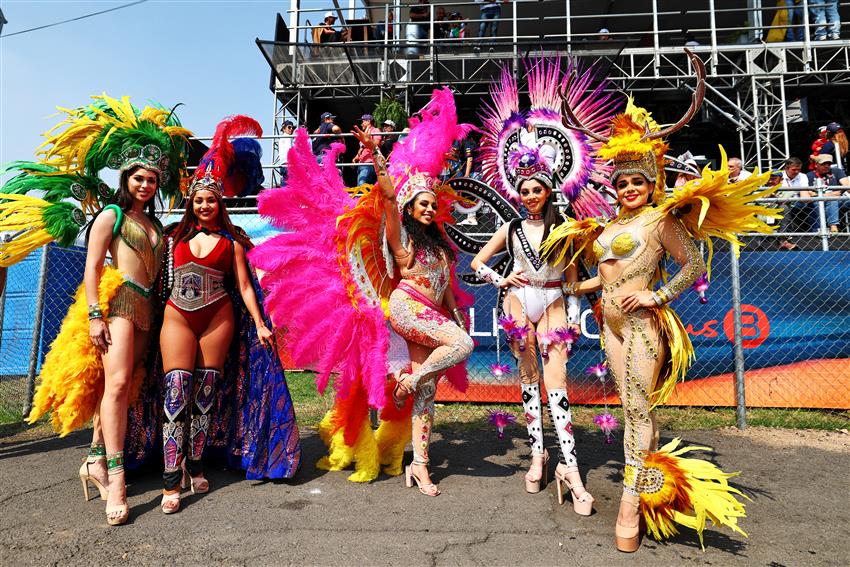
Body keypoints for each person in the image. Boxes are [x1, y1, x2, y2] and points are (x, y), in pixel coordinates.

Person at [550, 51, 773, 551]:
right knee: (635, 407)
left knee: (635, 406)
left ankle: (631, 498)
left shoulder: (660, 222)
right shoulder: (607, 227)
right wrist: (564, 289)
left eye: (637, 181)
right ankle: (647, 485)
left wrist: (657, 294)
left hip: (643, 325)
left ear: (652, 184)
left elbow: (693, 264)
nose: (629, 188)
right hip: (607, 322)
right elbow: (601, 277)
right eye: (622, 181)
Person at [250, 88, 473, 486]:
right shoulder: (402, 239)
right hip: (406, 311)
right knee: (458, 348)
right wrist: (377, 155)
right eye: (418, 203)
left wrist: (454, 312)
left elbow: (447, 289)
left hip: (430, 314)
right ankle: (402, 388)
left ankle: (418, 463)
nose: (425, 207)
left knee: (425, 394)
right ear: (408, 209)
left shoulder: (439, 243)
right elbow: (388, 196)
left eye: (429, 203)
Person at [18, 95, 192, 526]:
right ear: (126, 178)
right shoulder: (111, 214)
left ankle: (95, 458)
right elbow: (93, 266)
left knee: (127, 386)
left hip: (147, 309)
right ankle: (115, 479)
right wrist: (95, 314)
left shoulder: (153, 224)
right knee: (114, 385)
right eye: (139, 178)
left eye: (152, 180)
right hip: (117, 302)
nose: (146, 185)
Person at [158, 116, 299, 514]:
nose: (204, 205)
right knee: (176, 393)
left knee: (204, 397)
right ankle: (171, 480)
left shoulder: (232, 242)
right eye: (199, 200)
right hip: (177, 317)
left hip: (218, 319)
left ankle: (197, 463)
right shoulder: (173, 238)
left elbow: (244, 287)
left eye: (211, 200)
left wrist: (258, 322)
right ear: (192, 202)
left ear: (220, 204)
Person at [470, 144, 594, 514]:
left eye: (536, 190)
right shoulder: (511, 228)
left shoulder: (565, 229)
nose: (530, 197)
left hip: (554, 299)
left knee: (556, 382)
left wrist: (573, 317)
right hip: (518, 302)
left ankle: (570, 467)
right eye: (524, 191)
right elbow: (478, 262)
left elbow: (571, 280)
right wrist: (501, 278)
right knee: (528, 378)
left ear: (548, 190)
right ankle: (537, 455)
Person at [807, 154, 850, 233]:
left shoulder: (837, 171)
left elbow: (847, 185)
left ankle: (832, 227)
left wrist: (840, 191)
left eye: (829, 164)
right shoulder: (809, 175)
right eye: (823, 164)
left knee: (838, 200)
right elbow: (811, 194)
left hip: (838, 201)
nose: (827, 166)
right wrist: (830, 195)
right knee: (828, 201)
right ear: (816, 165)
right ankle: (829, 227)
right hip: (818, 201)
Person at [777, 157, 811, 249]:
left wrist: (811, 197)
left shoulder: (802, 176)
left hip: (797, 202)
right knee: (785, 207)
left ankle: (818, 232)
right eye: (794, 169)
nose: (796, 172)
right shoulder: (778, 176)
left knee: (815, 203)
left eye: (799, 169)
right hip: (779, 202)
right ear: (786, 168)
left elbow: (804, 195)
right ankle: (784, 239)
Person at [353, 114, 381, 186]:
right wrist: (356, 158)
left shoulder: (375, 130)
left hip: (369, 162)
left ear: (368, 121)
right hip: (362, 163)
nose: (361, 124)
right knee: (362, 186)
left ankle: (361, 197)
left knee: (361, 185)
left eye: (363, 122)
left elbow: (376, 143)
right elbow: (362, 148)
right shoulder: (364, 133)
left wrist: (366, 142)